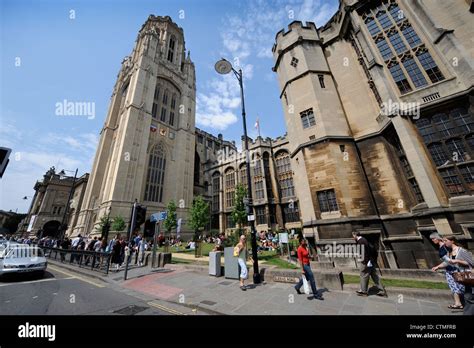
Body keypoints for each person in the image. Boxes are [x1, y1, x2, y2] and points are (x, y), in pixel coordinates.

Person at [434, 236, 473, 311]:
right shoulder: (449, 251)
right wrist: (438, 267)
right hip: (457, 275)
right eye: (443, 241)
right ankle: (461, 305)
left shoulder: (462, 251)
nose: (444, 242)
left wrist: (458, 261)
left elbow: (471, 263)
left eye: (446, 241)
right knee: (459, 290)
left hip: (465, 275)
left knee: (467, 292)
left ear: (452, 241)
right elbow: (448, 262)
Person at [430, 232, 461, 309]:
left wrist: (438, 266)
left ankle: (459, 303)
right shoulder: (441, 247)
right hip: (449, 270)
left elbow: (449, 261)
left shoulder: (445, 247)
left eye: (433, 238)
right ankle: (458, 303)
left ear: (438, 238)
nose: (432, 240)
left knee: (458, 286)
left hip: (454, 269)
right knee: (453, 286)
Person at [353, 232, 386, 297]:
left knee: (363, 275)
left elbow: (364, 253)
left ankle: (364, 291)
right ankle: (382, 290)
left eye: (353, 236)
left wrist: (365, 262)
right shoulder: (364, 239)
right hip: (371, 260)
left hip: (366, 262)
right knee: (374, 275)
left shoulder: (360, 241)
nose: (353, 237)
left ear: (355, 235)